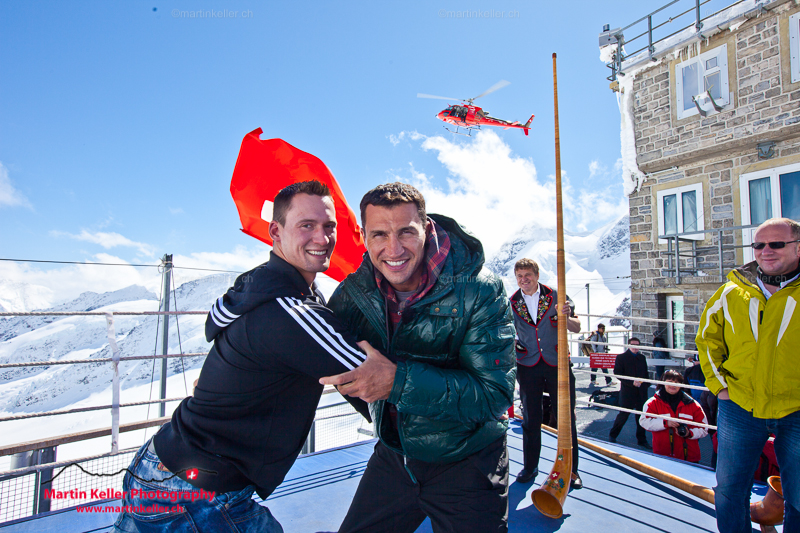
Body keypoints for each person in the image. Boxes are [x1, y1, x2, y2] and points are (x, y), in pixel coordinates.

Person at [113, 181, 376, 532]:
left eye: (329, 226)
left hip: (157, 467)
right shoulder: (291, 311)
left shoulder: (257, 285)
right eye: (307, 226)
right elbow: (375, 380)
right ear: (275, 232)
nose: (322, 237)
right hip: (196, 492)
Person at [319, 182, 515, 533]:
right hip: (397, 455)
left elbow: (493, 395)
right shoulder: (353, 296)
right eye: (379, 234)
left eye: (406, 232)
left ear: (425, 229)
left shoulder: (480, 289)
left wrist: (397, 383)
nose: (393, 249)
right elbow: (328, 360)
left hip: (469, 459)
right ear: (363, 236)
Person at [696, 217, 800, 532]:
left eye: (777, 244)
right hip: (739, 405)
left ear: (797, 246)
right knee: (729, 491)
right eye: (759, 244)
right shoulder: (731, 292)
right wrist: (720, 387)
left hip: (796, 408)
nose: (766, 251)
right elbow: (706, 339)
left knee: (798, 495)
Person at [509, 258, 583, 489]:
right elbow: (505, 329)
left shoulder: (556, 295)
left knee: (565, 418)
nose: (524, 280)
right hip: (528, 365)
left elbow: (577, 327)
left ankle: (571, 470)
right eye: (520, 276)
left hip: (557, 363)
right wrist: (513, 344)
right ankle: (530, 467)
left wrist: (566, 316)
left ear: (537, 275)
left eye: (527, 275)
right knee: (531, 418)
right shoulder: (512, 301)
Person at [639, 370, 708, 463]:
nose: (673, 385)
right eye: (670, 382)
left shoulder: (693, 404)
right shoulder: (652, 403)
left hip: (689, 456)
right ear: (663, 383)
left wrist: (689, 433)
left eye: (677, 382)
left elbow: (704, 428)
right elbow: (644, 422)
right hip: (662, 455)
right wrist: (665, 423)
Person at [609, 337, 651, 447]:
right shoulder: (621, 357)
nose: (635, 347)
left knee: (641, 416)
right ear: (628, 345)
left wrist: (646, 384)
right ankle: (612, 435)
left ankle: (642, 440)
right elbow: (618, 373)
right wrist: (631, 382)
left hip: (641, 391)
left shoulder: (642, 358)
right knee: (623, 415)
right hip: (628, 392)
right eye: (633, 344)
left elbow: (645, 373)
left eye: (637, 345)